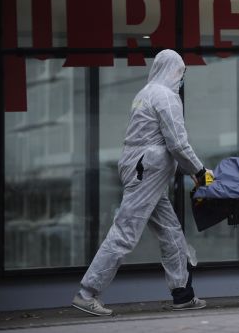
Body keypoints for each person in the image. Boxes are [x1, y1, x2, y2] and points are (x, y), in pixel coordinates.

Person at [72, 49, 208, 316]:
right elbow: (177, 143)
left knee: (170, 231)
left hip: (140, 168)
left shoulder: (144, 93)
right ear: (173, 70)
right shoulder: (166, 97)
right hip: (148, 171)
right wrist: (200, 171)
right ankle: (87, 292)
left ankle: (182, 293)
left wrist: (187, 168)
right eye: (181, 72)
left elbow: (156, 139)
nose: (181, 78)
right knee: (125, 232)